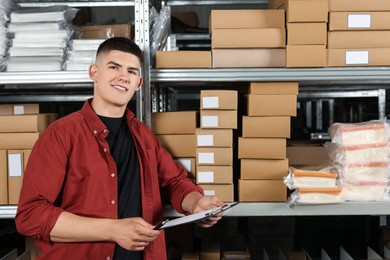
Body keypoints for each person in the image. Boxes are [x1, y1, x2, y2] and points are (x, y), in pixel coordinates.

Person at [15, 37, 224, 260]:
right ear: (94, 72)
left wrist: (196, 203)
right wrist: (113, 229)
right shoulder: (61, 135)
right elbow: (31, 215)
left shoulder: (143, 136)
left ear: (139, 83)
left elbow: (174, 182)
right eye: (114, 67)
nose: (123, 77)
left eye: (132, 71)